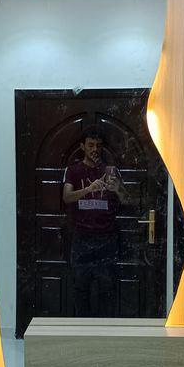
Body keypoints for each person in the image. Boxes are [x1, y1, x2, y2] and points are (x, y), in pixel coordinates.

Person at [62, 129, 128, 317]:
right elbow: (67, 197)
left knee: (107, 290)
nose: (95, 149)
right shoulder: (73, 170)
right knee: (80, 289)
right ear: (82, 146)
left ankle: (105, 332)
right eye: (90, 145)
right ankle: (81, 331)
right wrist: (88, 189)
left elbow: (128, 200)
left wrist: (118, 189)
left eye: (98, 146)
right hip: (81, 239)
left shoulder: (111, 171)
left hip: (107, 239)